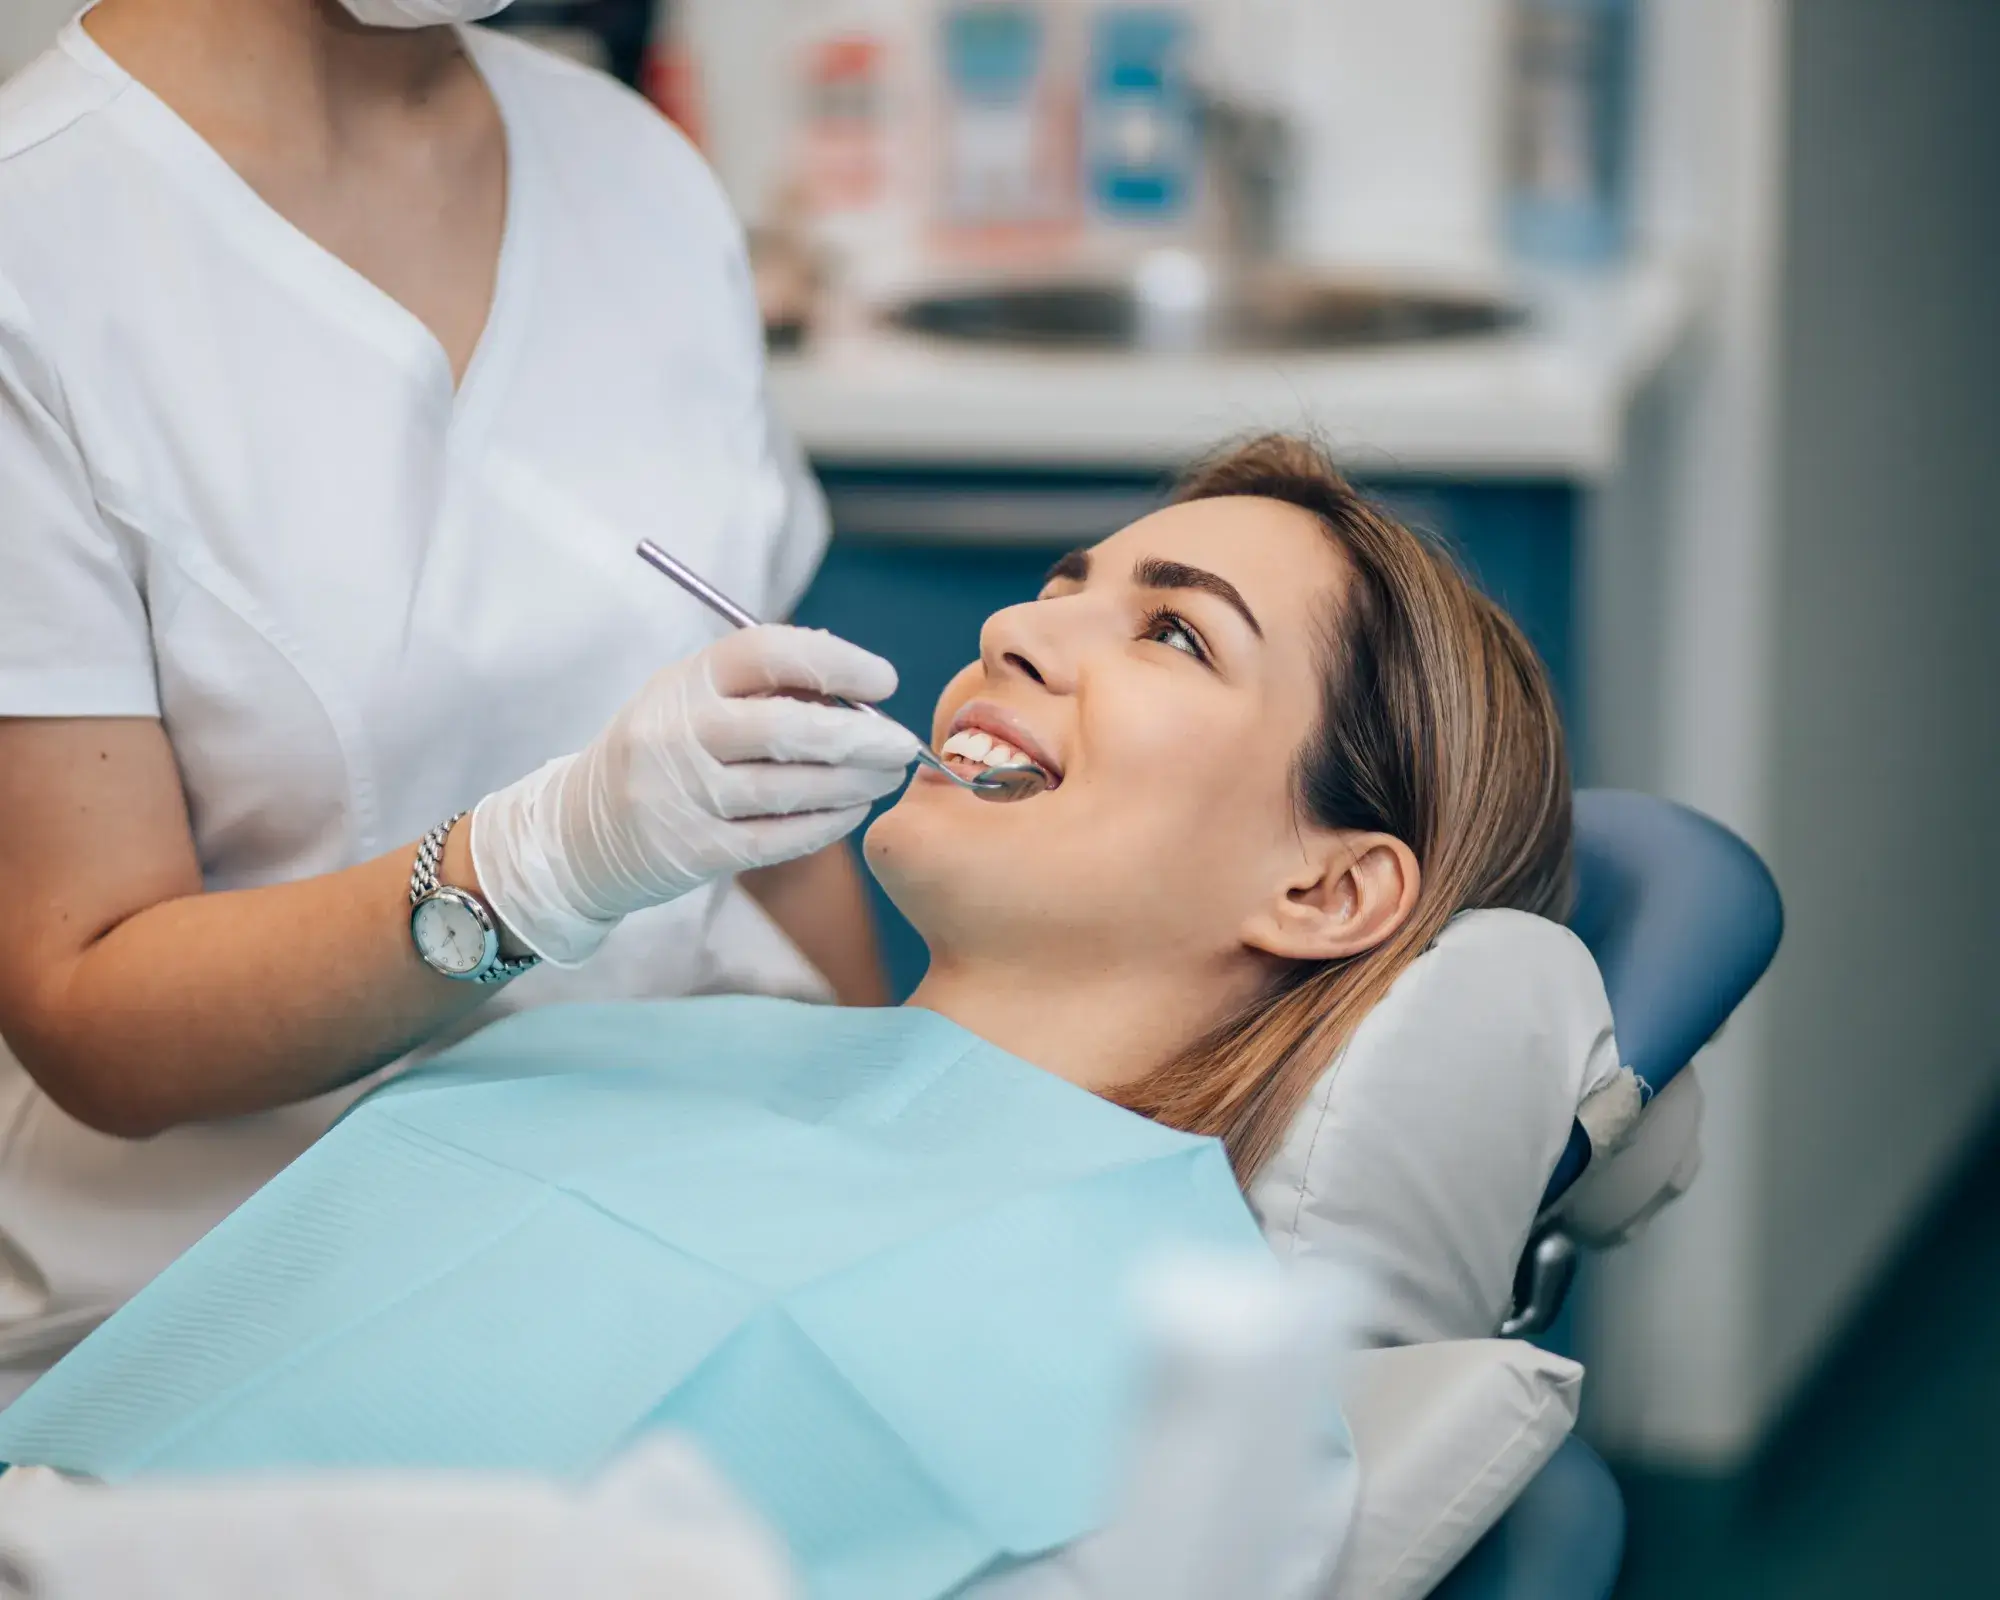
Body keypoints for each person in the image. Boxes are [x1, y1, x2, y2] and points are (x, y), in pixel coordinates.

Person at [0, 440, 1578, 1600]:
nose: (1019, 635)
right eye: (1061, 583)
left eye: (1176, 633)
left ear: (1328, 893)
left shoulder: (1189, 1416)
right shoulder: (608, 1034)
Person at [0, 0, 925, 1395]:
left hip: (665, 1255)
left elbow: (779, 824)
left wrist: (893, 1188)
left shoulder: (635, 175)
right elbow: (90, 1013)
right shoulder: (43, 246)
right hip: (225, 1330)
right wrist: (532, 872)